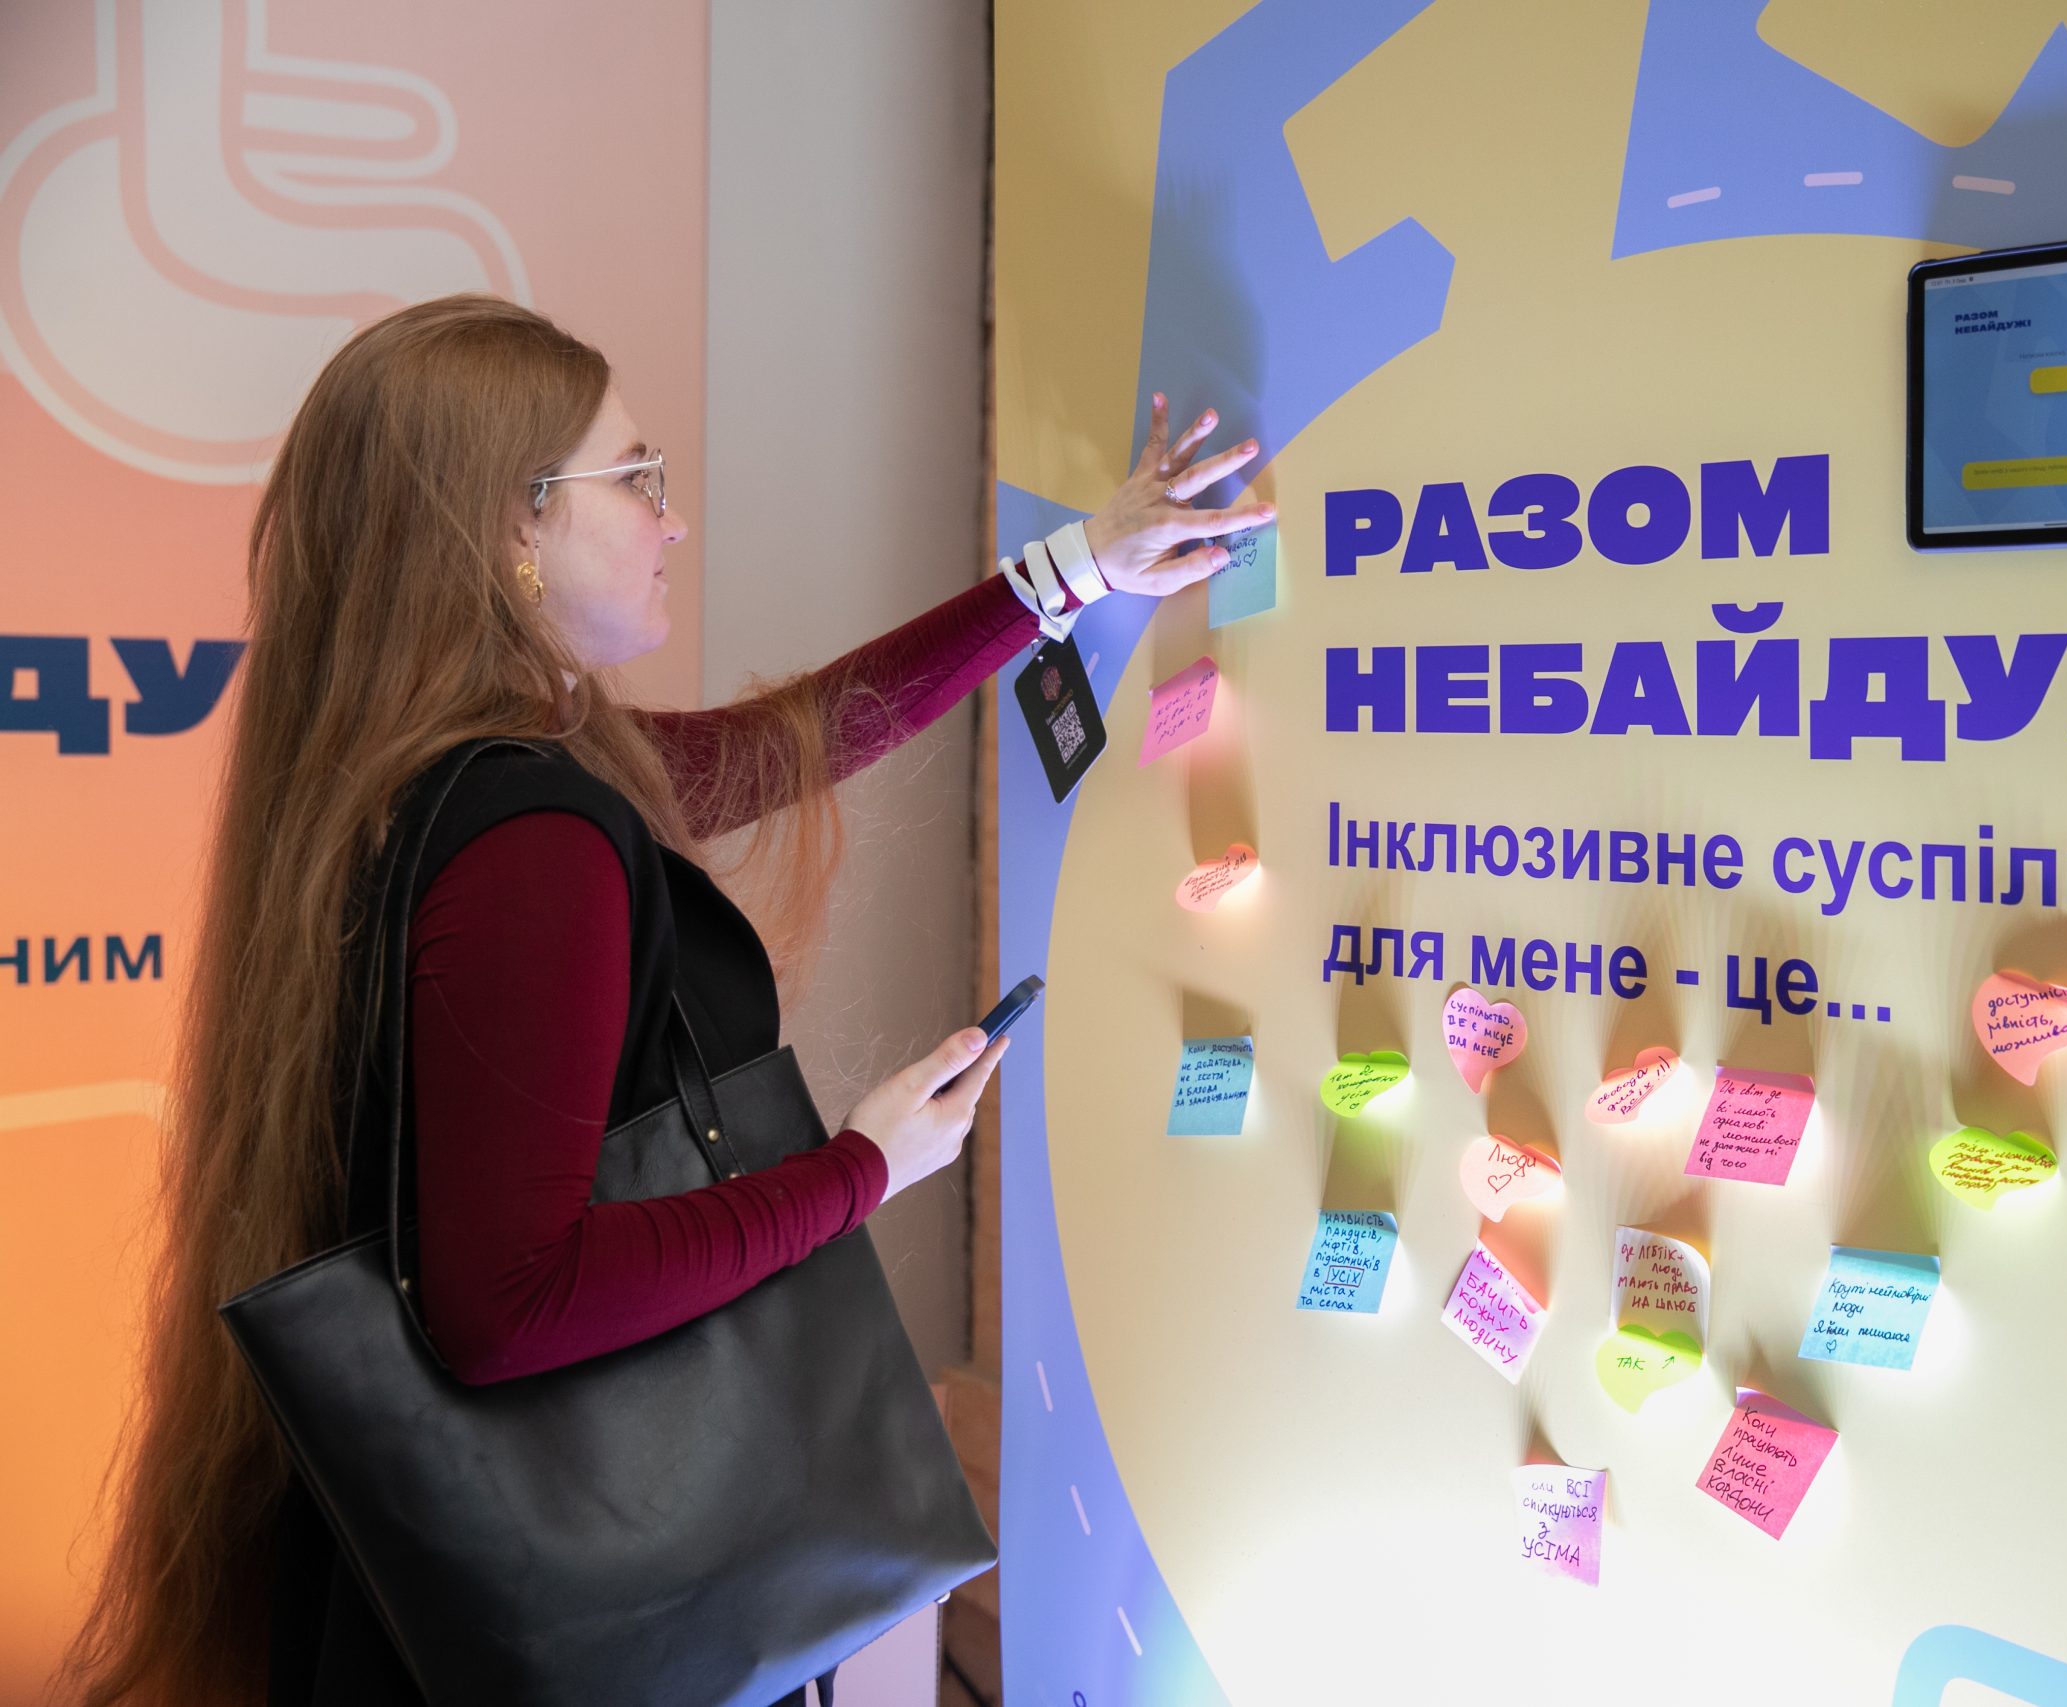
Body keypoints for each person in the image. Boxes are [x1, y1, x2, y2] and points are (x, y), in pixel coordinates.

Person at [58, 295, 1272, 1706]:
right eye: (634, 478)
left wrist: (1073, 569)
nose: (672, 520)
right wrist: (863, 1169)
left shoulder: (433, 775)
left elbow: (785, 745)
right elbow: (512, 1301)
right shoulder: (528, 840)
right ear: (510, 526)